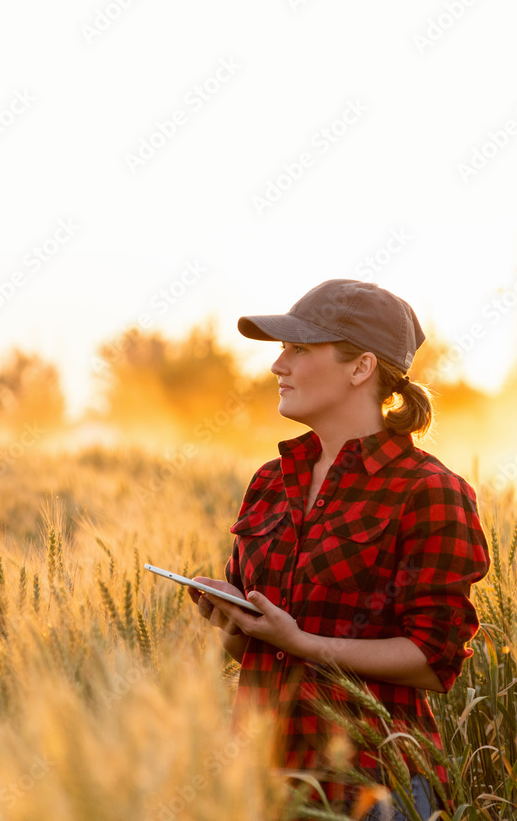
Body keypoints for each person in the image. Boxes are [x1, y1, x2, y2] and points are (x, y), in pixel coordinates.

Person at [188, 279, 491, 818]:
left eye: (299, 349)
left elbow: (433, 661)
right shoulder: (269, 481)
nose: (277, 366)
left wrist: (301, 641)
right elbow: (262, 654)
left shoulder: (428, 491)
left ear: (361, 368)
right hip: (262, 781)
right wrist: (235, 623)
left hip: (374, 790)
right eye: (282, 349)